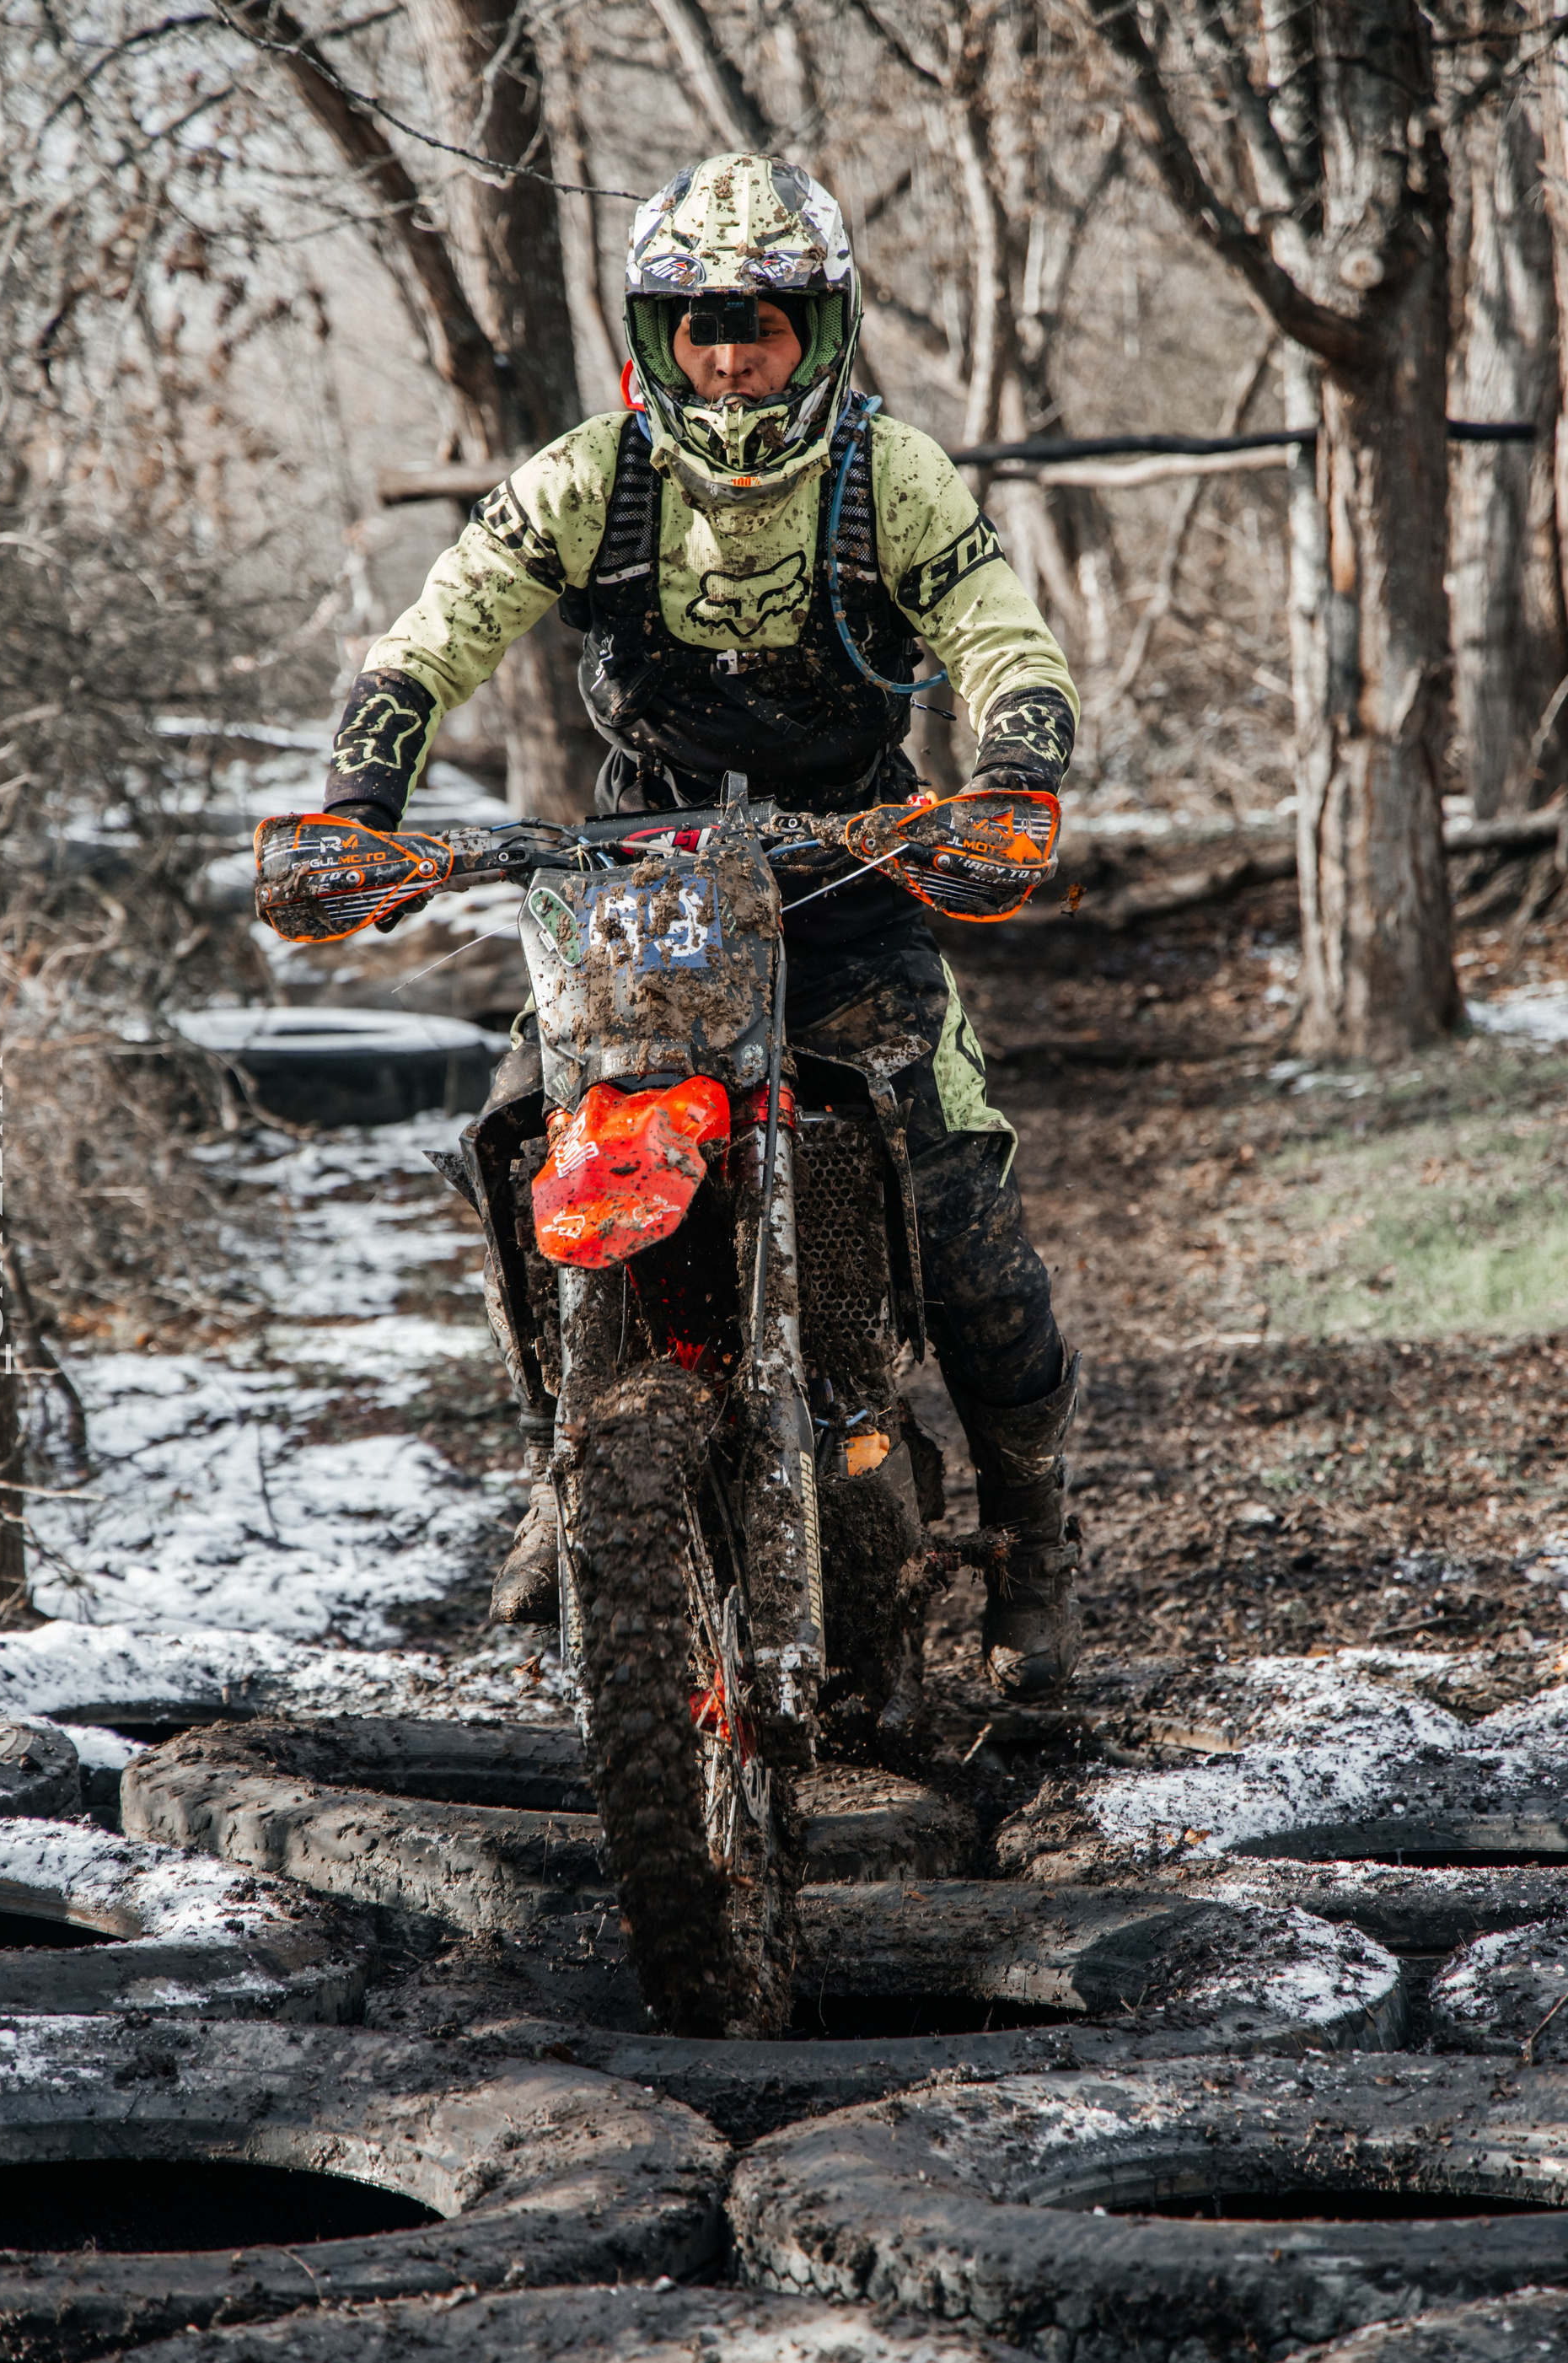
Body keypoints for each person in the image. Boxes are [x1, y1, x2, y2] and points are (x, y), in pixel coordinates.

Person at [320, 153, 1082, 1701]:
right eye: (701, 325)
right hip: (638, 894)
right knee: (521, 1144)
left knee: (969, 1228)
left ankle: (1032, 1534)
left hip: (849, 888)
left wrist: (1012, 772)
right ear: (655, 337)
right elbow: (436, 628)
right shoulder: (591, 476)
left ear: (822, 330)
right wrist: (360, 796)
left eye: (763, 323)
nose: (731, 357)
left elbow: (1005, 637)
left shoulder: (892, 476)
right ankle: (570, 1461)